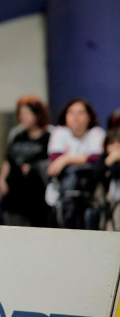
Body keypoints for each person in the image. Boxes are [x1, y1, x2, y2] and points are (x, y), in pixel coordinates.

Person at [47, 97, 104, 229]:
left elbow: (95, 158)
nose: (75, 117)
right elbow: (55, 159)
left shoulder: (97, 133)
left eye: (80, 113)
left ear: (89, 116)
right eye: (71, 113)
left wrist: (66, 159)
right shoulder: (59, 132)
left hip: (90, 192)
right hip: (61, 192)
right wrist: (77, 160)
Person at [0, 97, 52, 227]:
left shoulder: (49, 136)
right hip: (14, 193)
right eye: (21, 114)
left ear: (38, 115)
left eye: (27, 114)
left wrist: (34, 167)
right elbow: (8, 159)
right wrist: (1, 179)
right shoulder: (18, 135)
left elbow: (51, 162)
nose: (23, 117)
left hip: (37, 194)